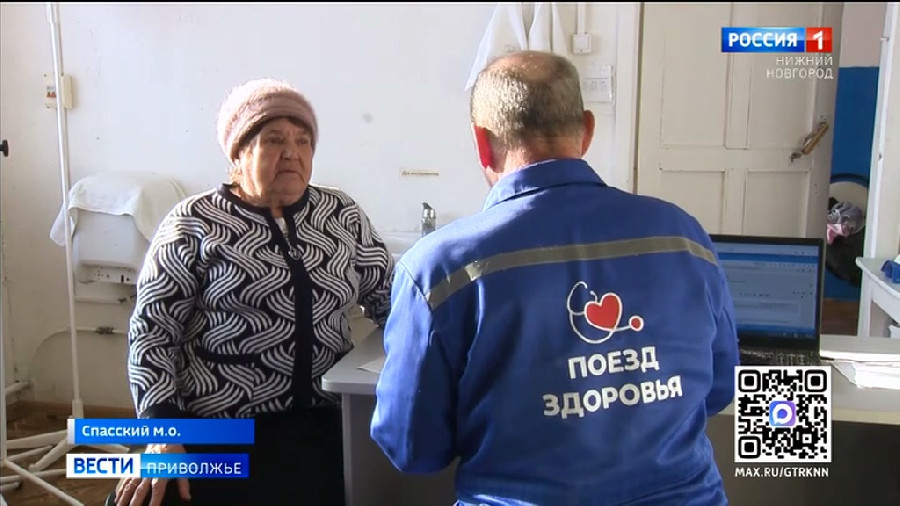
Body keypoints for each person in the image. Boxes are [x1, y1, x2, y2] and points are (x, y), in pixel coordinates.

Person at [370, 50, 739, 506]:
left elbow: (412, 447)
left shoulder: (439, 270)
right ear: (587, 130)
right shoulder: (684, 236)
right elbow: (718, 388)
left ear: (482, 142)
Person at [112, 78, 394, 506]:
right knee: (149, 497)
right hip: (216, 426)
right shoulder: (194, 221)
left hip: (321, 420)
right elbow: (152, 333)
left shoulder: (340, 214)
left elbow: (392, 302)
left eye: (303, 141)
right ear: (238, 153)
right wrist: (162, 433)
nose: (292, 153)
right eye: (274, 140)